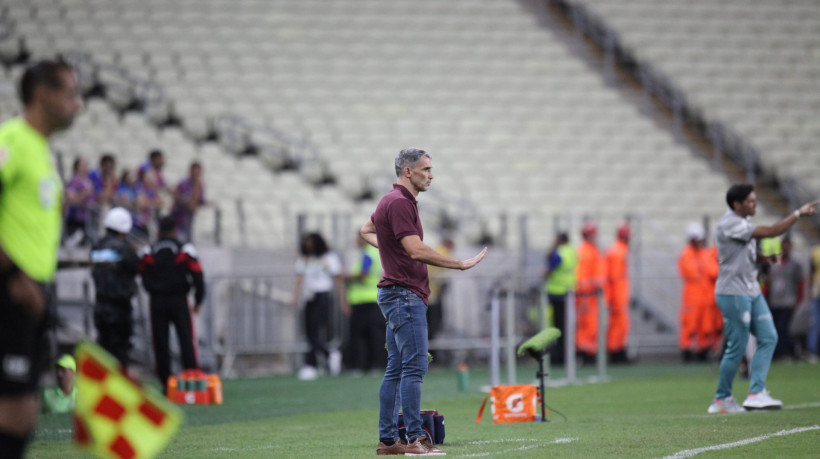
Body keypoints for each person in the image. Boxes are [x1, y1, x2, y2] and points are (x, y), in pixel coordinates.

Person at [360, 147, 487, 456]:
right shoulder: (401, 203)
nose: (431, 174)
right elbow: (416, 250)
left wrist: (389, 249)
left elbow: (366, 231)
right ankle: (417, 438)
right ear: (408, 172)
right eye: (426, 169)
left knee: (396, 368)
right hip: (404, 294)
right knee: (414, 368)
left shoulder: (389, 201)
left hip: (394, 293)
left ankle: (389, 441)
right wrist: (458, 264)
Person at [0, 59, 82, 458]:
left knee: (22, 415)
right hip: (10, 292)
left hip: (33, 294)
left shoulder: (42, 152)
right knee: (14, 413)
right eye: (70, 94)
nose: (78, 105)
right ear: (42, 94)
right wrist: (14, 275)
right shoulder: (11, 140)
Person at [707, 184, 818, 414]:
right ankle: (721, 399)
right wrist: (798, 213)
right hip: (733, 292)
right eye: (750, 201)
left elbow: (742, 251)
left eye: (755, 200)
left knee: (769, 336)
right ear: (736, 205)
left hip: (751, 290)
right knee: (737, 346)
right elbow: (771, 231)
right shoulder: (730, 223)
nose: (754, 204)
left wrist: (763, 259)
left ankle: (756, 392)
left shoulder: (743, 223)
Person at [138, 216, 205, 393]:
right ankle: (193, 384)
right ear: (175, 230)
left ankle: (167, 385)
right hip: (179, 300)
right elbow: (198, 275)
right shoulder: (184, 248)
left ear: (158, 231)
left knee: (160, 343)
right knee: (186, 340)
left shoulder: (149, 250)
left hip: (157, 302)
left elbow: (142, 273)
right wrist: (198, 300)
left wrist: (152, 290)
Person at [90, 207, 140, 368]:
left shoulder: (97, 247)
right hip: (120, 308)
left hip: (100, 304)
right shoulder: (124, 249)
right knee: (120, 353)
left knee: (103, 351)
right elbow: (137, 266)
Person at [290, 232, 344, 379]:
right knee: (309, 330)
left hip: (323, 296)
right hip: (309, 298)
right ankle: (326, 356)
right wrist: (294, 297)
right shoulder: (304, 259)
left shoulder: (329, 258)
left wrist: (342, 300)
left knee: (320, 329)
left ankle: (314, 363)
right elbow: (300, 279)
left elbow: (338, 279)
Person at [342, 234, 386, 374]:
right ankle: (376, 365)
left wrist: (346, 276)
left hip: (363, 300)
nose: (356, 241)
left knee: (360, 335)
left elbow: (363, 275)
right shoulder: (377, 253)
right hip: (373, 299)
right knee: (376, 335)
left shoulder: (368, 254)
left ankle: (361, 365)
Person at [678, 222, 720, 362]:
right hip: (692, 296)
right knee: (689, 325)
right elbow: (691, 272)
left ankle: (703, 351)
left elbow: (713, 271)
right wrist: (703, 271)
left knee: (705, 326)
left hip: (705, 296)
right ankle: (687, 351)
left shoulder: (705, 253)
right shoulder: (686, 254)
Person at [763, 236, 804, 360]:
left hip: (788, 300)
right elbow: (768, 280)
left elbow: (801, 282)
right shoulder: (775, 261)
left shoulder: (795, 263)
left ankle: (785, 352)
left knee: (783, 327)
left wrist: (798, 299)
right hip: (775, 300)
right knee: (775, 328)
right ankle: (788, 351)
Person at [543, 232, 577, 365]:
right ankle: (567, 356)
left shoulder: (561, 252)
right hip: (568, 292)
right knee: (565, 326)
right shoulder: (572, 251)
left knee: (557, 327)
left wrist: (545, 274)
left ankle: (558, 356)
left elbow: (552, 266)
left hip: (556, 293)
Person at [575, 221, 604, 364]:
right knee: (586, 326)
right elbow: (582, 279)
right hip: (586, 296)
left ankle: (590, 352)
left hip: (592, 295)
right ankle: (584, 353)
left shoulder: (591, 250)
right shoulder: (585, 252)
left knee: (592, 326)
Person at [604, 223, 630, 363]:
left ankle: (617, 351)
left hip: (617, 294)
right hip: (617, 295)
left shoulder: (617, 250)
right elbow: (615, 276)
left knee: (618, 325)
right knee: (618, 326)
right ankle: (616, 352)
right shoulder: (619, 251)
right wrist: (614, 297)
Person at [170, 161, 206, 243]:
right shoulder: (184, 183)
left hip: (189, 218)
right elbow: (181, 198)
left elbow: (198, 201)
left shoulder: (200, 186)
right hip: (179, 217)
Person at [426, 238, 454, 342]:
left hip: (427, 292)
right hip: (433, 295)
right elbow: (454, 265)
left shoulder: (435, 250)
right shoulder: (444, 252)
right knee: (434, 324)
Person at [63, 156, 95, 245]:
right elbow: (71, 199)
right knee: (74, 242)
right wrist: (84, 194)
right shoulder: (74, 181)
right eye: (82, 165)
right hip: (76, 218)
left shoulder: (89, 181)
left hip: (87, 218)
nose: (85, 167)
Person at [808, 244, 820, 362]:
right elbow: (811, 272)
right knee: (815, 323)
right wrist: (810, 290)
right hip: (817, 293)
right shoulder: (816, 251)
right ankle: (812, 351)